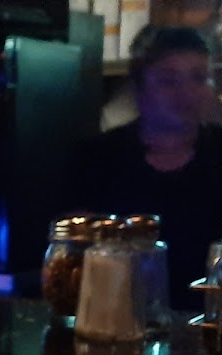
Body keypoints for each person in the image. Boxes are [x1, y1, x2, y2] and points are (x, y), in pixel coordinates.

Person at [67, 25, 222, 310]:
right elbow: (75, 258)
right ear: (139, 87)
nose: (187, 92)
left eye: (198, 78)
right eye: (169, 80)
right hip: (116, 321)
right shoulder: (99, 158)